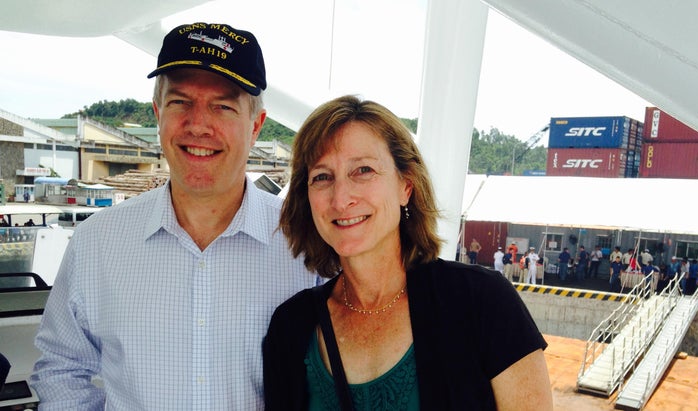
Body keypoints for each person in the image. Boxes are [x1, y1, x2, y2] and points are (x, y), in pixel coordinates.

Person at [31, 23, 316, 410]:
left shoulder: (306, 244)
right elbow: (62, 368)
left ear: (255, 125)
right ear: (157, 114)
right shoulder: (96, 241)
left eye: (223, 106)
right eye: (180, 102)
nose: (198, 125)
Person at [263, 95, 552, 410]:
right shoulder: (291, 328)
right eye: (322, 177)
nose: (341, 198)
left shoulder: (481, 302)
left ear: (406, 186)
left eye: (363, 170)